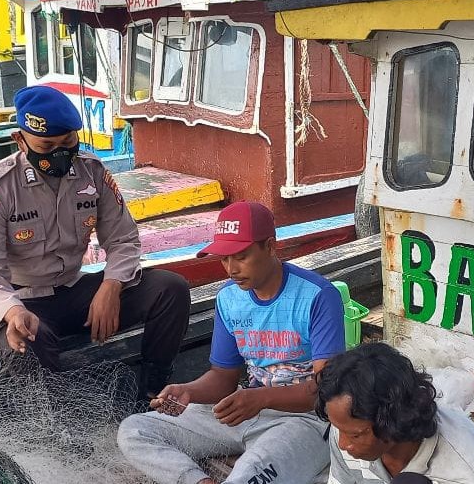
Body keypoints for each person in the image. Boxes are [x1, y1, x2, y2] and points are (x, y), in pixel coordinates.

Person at [0, 85, 190, 397]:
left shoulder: (92, 173)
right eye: (47, 144)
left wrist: (112, 286)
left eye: (68, 142)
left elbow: (123, 240)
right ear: (20, 140)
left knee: (169, 289)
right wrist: (13, 312)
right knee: (27, 339)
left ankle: (154, 393)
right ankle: (56, 429)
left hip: (72, 291)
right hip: (20, 300)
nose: (60, 153)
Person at [117, 201, 346, 484]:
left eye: (240, 256)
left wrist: (260, 398)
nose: (230, 269)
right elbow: (223, 378)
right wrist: (188, 391)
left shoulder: (318, 296)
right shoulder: (228, 298)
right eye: (223, 258)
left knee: (245, 475)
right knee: (134, 430)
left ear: (271, 247)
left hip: (304, 421)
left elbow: (327, 391)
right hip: (245, 411)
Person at [316, 342, 474, 484]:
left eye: (355, 435)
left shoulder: (464, 472)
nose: (343, 444)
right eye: (338, 428)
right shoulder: (346, 425)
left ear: (391, 421)